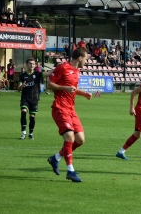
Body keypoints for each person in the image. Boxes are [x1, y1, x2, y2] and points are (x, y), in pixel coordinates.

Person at [46, 48, 92, 183]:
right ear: (79, 58)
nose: (86, 61)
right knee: (69, 137)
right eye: (86, 58)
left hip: (71, 109)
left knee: (80, 140)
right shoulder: (63, 68)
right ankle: (70, 171)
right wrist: (65, 88)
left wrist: (83, 93)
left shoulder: (77, 72)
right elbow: (49, 85)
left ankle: (56, 158)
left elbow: (72, 89)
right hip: (60, 108)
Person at [17, 59, 50, 139]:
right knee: (23, 112)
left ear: (35, 65)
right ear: (26, 64)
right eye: (30, 64)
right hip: (25, 98)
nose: (31, 65)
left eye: (33, 64)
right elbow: (18, 89)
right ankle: (23, 132)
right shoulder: (22, 75)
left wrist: (58, 69)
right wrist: (22, 86)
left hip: (34, 98)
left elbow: (47, 74)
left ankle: (31, 133)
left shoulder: (38, 74)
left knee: (32, 116)